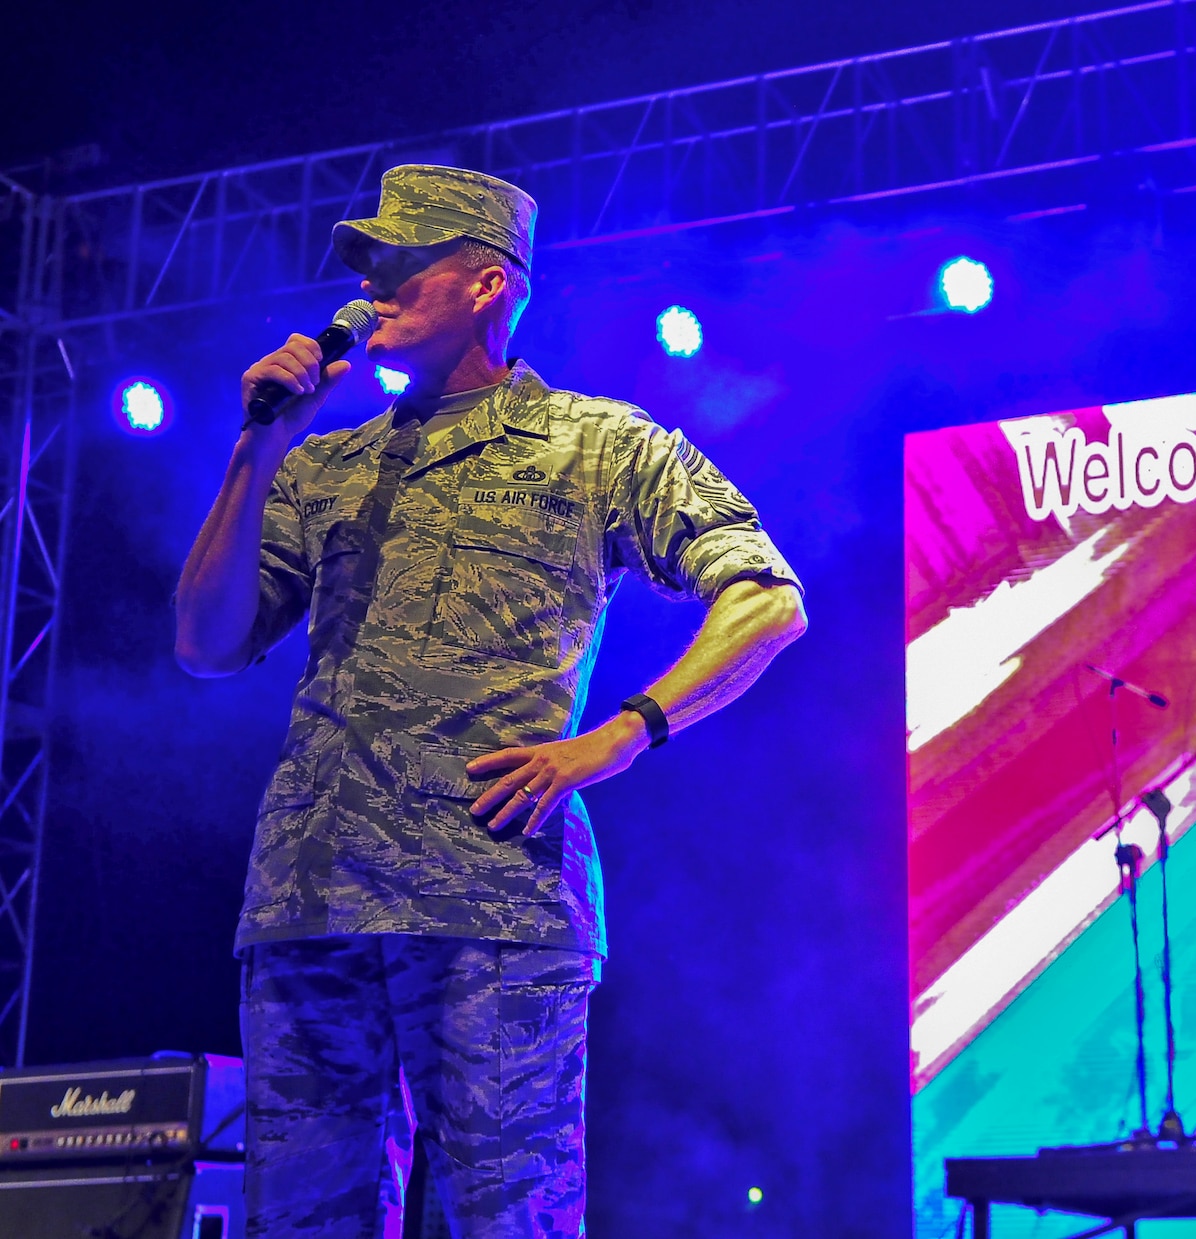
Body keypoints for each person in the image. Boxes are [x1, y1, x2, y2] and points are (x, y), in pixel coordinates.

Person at [174, 164, 806, 1237]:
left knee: (504, 1221)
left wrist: (615, 737)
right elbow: (203, 642)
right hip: (310, 901)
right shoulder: (323, 467)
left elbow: (766, 600)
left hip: (493, 895)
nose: (370, 288)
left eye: (398, 265)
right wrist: (258, 445)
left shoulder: (596, 442)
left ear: (483, 283)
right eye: (363, 266)